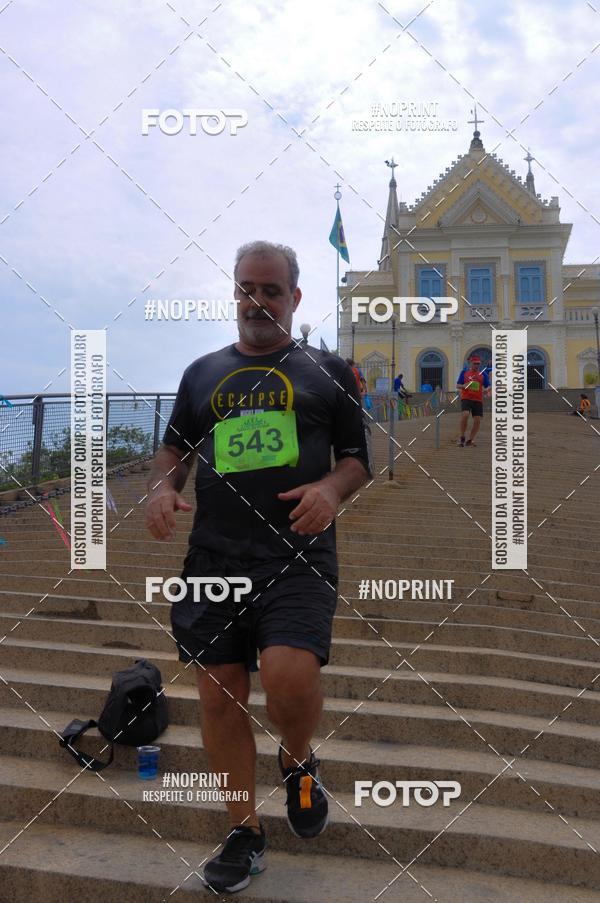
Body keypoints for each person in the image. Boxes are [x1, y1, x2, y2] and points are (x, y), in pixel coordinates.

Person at [145, 240, 371, 894]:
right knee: (218, 691)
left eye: (272, 290)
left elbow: (358, 458)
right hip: (214, 553)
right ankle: (244, 830)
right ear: (234, 293)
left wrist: (330, 490)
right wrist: (162, 489)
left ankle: (297, 759)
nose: (258, 300)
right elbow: (170, 453)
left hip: (296, 553)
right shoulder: (202, 373)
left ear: (295, 299)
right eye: (247, 287)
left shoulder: (329, 371)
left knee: (288, 673)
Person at [456, 353, 491, 447]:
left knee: (477, 420)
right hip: (466, 397)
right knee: (465, 414)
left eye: (478, 364)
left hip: (478, 400)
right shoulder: (464, 372)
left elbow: (489, 386)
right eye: (475, 363)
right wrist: (464, 386)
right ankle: (462, 436)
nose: (476, 365)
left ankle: (470, 439)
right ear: (470, 363)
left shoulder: (482, 374)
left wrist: (486, 390)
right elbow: (458, 385)